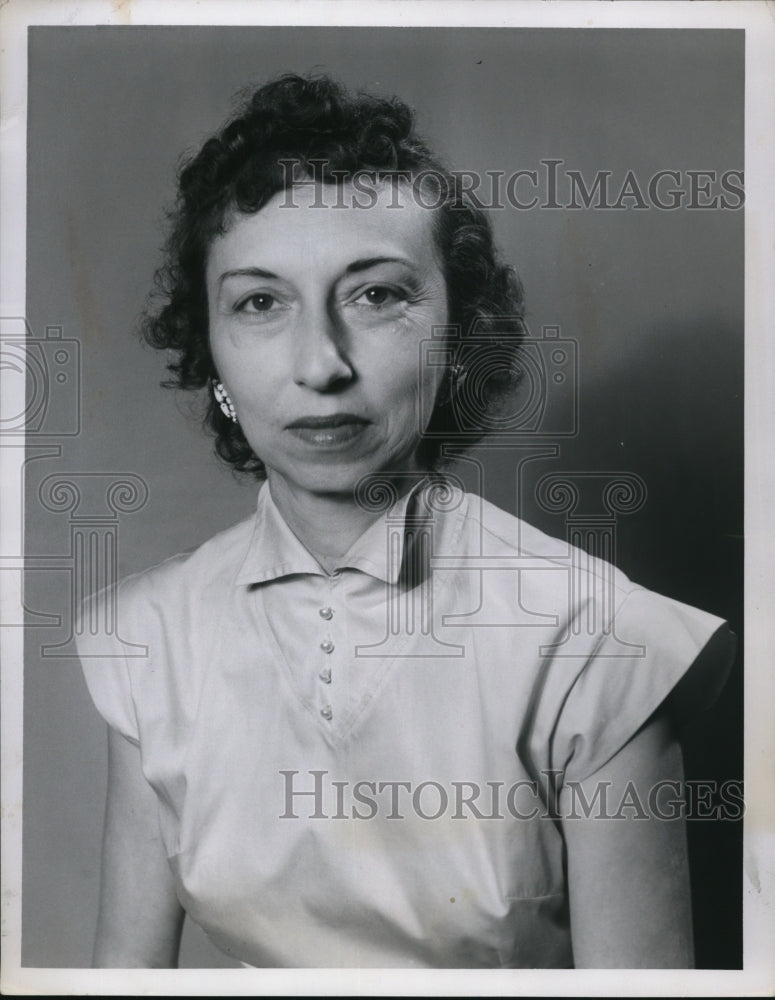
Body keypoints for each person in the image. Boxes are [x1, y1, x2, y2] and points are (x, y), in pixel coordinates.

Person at [77, 73, 735, 969]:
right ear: (211, 352)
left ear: (458, 333)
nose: (320, 364)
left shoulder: (596, 639)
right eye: (260, 302)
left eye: (376, 295)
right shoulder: (148, 635)